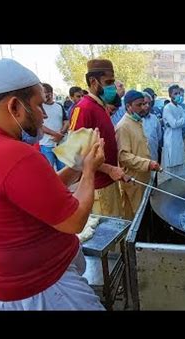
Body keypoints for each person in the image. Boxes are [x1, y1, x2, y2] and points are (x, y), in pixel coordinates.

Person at [0, 58, 106, 310]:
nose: (43, 115)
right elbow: (74, 221)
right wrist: (89, 171)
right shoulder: (14, 154)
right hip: (42, 289)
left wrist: (77, 166)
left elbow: (41, 194)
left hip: (3, 281)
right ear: (15, 106)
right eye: (38, 105)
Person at [69, 59, 125, 217]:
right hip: (98, 187)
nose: (112, 87)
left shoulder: (101, 107)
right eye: (108, 82)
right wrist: (109, 169)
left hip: (109, 181)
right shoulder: (84, 109)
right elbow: (77, 154)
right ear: (93, 81)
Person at [116, 90, 160, 219]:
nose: (143, 108)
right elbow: (123, 156)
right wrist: (147, 164)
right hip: (134, 179)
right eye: (139, 105)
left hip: (144, 177)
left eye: (144, 104)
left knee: (144, 212)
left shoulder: (137, 121)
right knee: (135, 216)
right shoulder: (123, 126)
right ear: (128, 106)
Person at [160, 85, 185, 182]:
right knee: (171, 167)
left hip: (179, 139)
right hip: (170, 140)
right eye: (175, 93)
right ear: (170, 95)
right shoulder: (167, 108)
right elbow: (174, 124)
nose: (178, 95)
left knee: (180, 166)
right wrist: (181, 120)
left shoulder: (180, 107)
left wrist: (179, 121)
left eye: (179, 93)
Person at [39, 83, 69, 171]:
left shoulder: (59, 106)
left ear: (51, 93)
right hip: (46, 145)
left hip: (61, 144)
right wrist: (55, 134)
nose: (42, 95)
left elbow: (66, 121)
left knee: (63, 170)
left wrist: (62, 132)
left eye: (44, 92)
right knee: (49, 170)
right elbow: (39, 126)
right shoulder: (40, 108)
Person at [141, 92, 162, 163]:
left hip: (153, 159)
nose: (147, 106)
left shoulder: (154, 119)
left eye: (149, 103)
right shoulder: (134, 120)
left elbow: (159, 136)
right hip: (139, 161)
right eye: (144, 103)